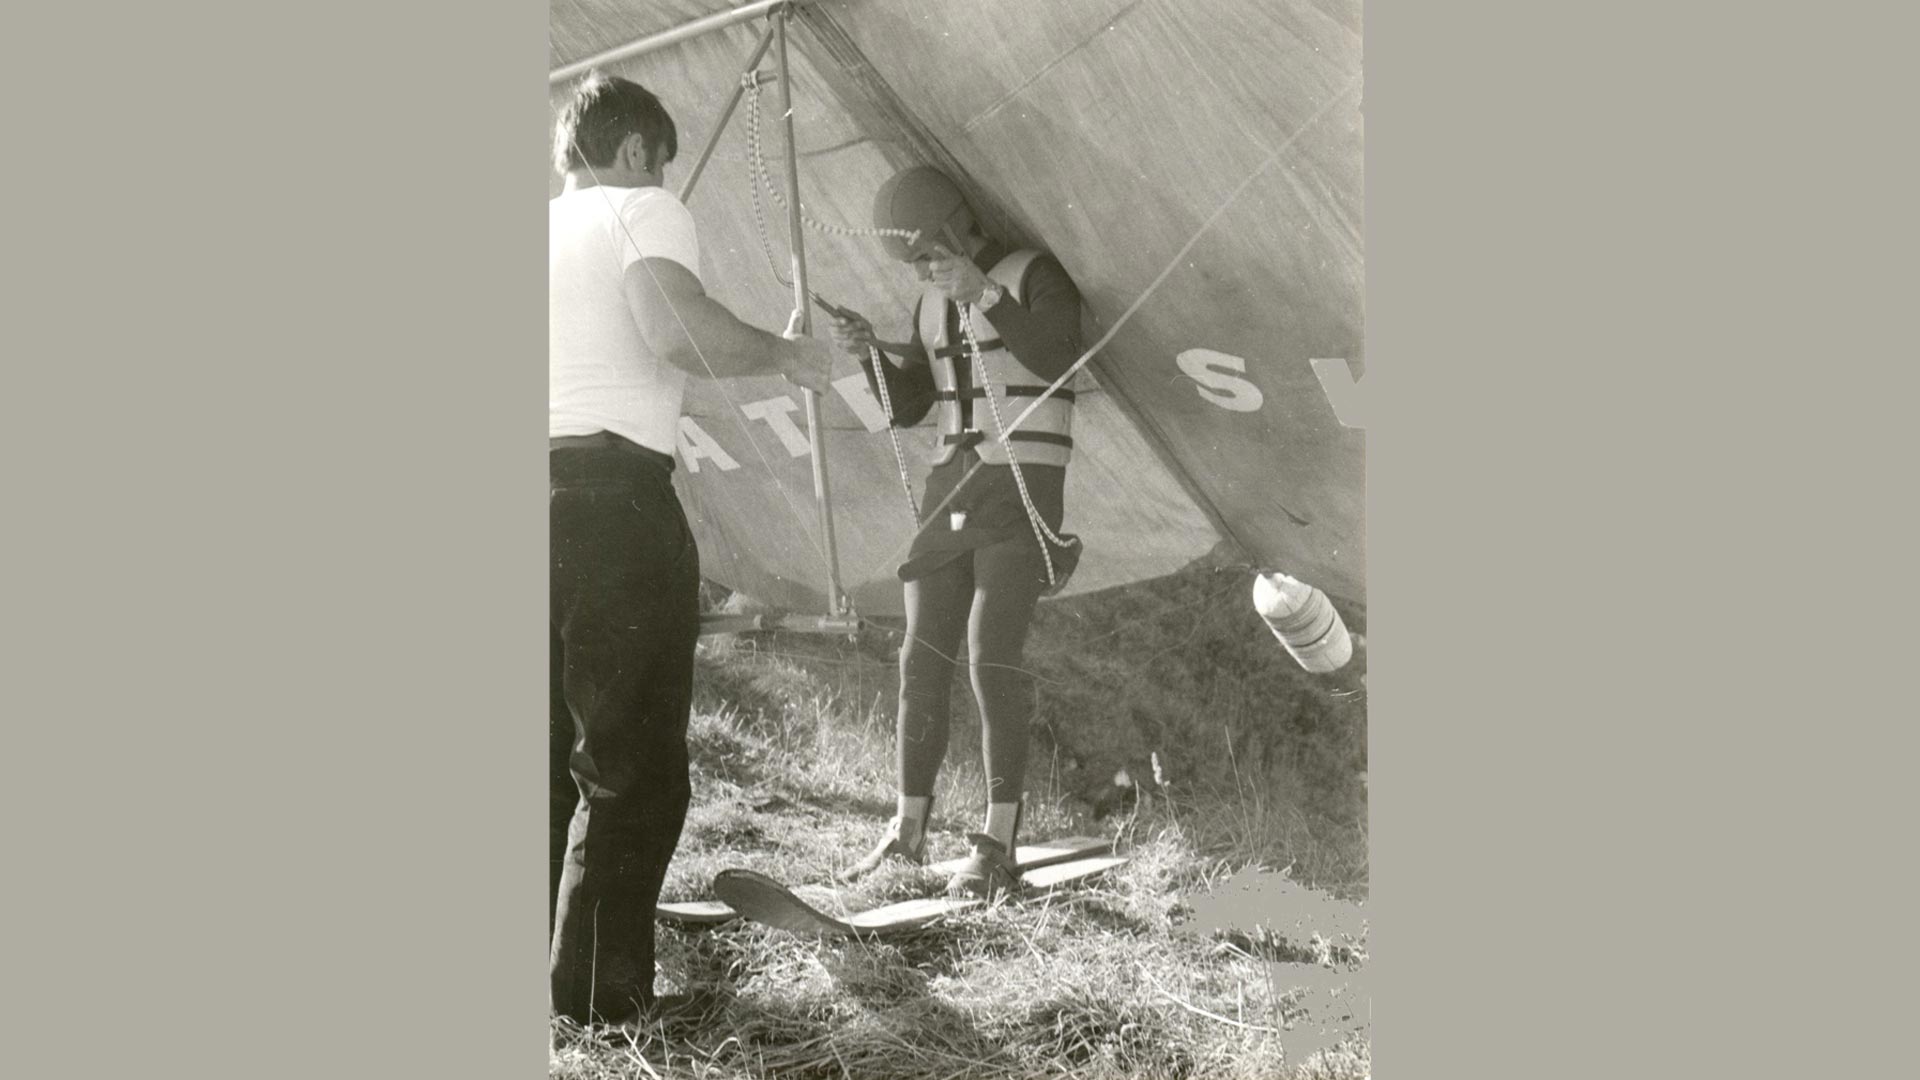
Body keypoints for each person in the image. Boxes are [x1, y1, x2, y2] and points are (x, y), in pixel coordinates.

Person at [548, 72, 836, 1027]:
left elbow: (634, 367)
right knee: (626, 759)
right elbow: (673, 330)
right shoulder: (643, 207)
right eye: (660, 162)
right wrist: (792, 357)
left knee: (545, 754)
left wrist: (741, 365)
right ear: (636, 151)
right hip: (607, 507)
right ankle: (600, 1002)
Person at [826, 166, 1085, 900]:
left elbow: (1059, 356)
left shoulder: (1036, 274)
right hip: (951, 486)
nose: (922, 270)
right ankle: (906, 831)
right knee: (921, 654)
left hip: (1024, 482)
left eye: (925, 254)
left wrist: (990, 296)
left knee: (990, 655)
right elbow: (913, 404)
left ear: (952, 228)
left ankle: (997, 842)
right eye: (912, 264)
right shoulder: (930, 301)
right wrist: (871, 351)